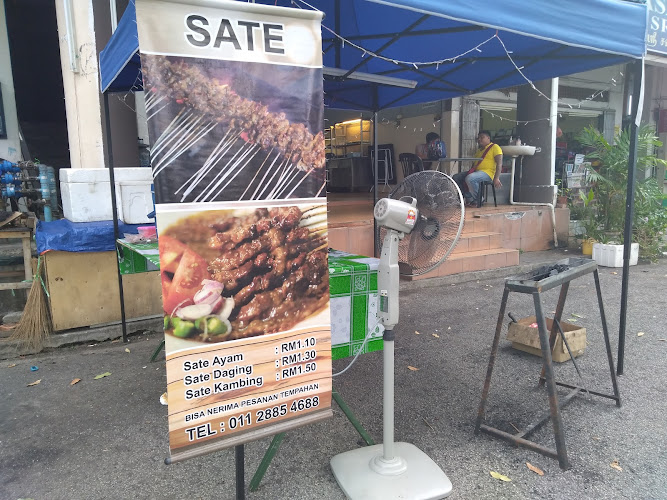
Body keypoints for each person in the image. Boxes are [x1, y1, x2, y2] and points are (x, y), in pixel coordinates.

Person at [453, 130, 502, 207]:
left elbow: (499, 163)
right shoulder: (479, 151)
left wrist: (496, 178)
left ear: (488, 138)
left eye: (482, 137)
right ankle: (468, 198)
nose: (479, 139)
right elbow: (474, 164)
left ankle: (479, 199)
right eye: (478, 138)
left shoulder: (495, 147)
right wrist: (470, 172)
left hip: (487, 173)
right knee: (456, 177)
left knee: (470, 178)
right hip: (476, 172)